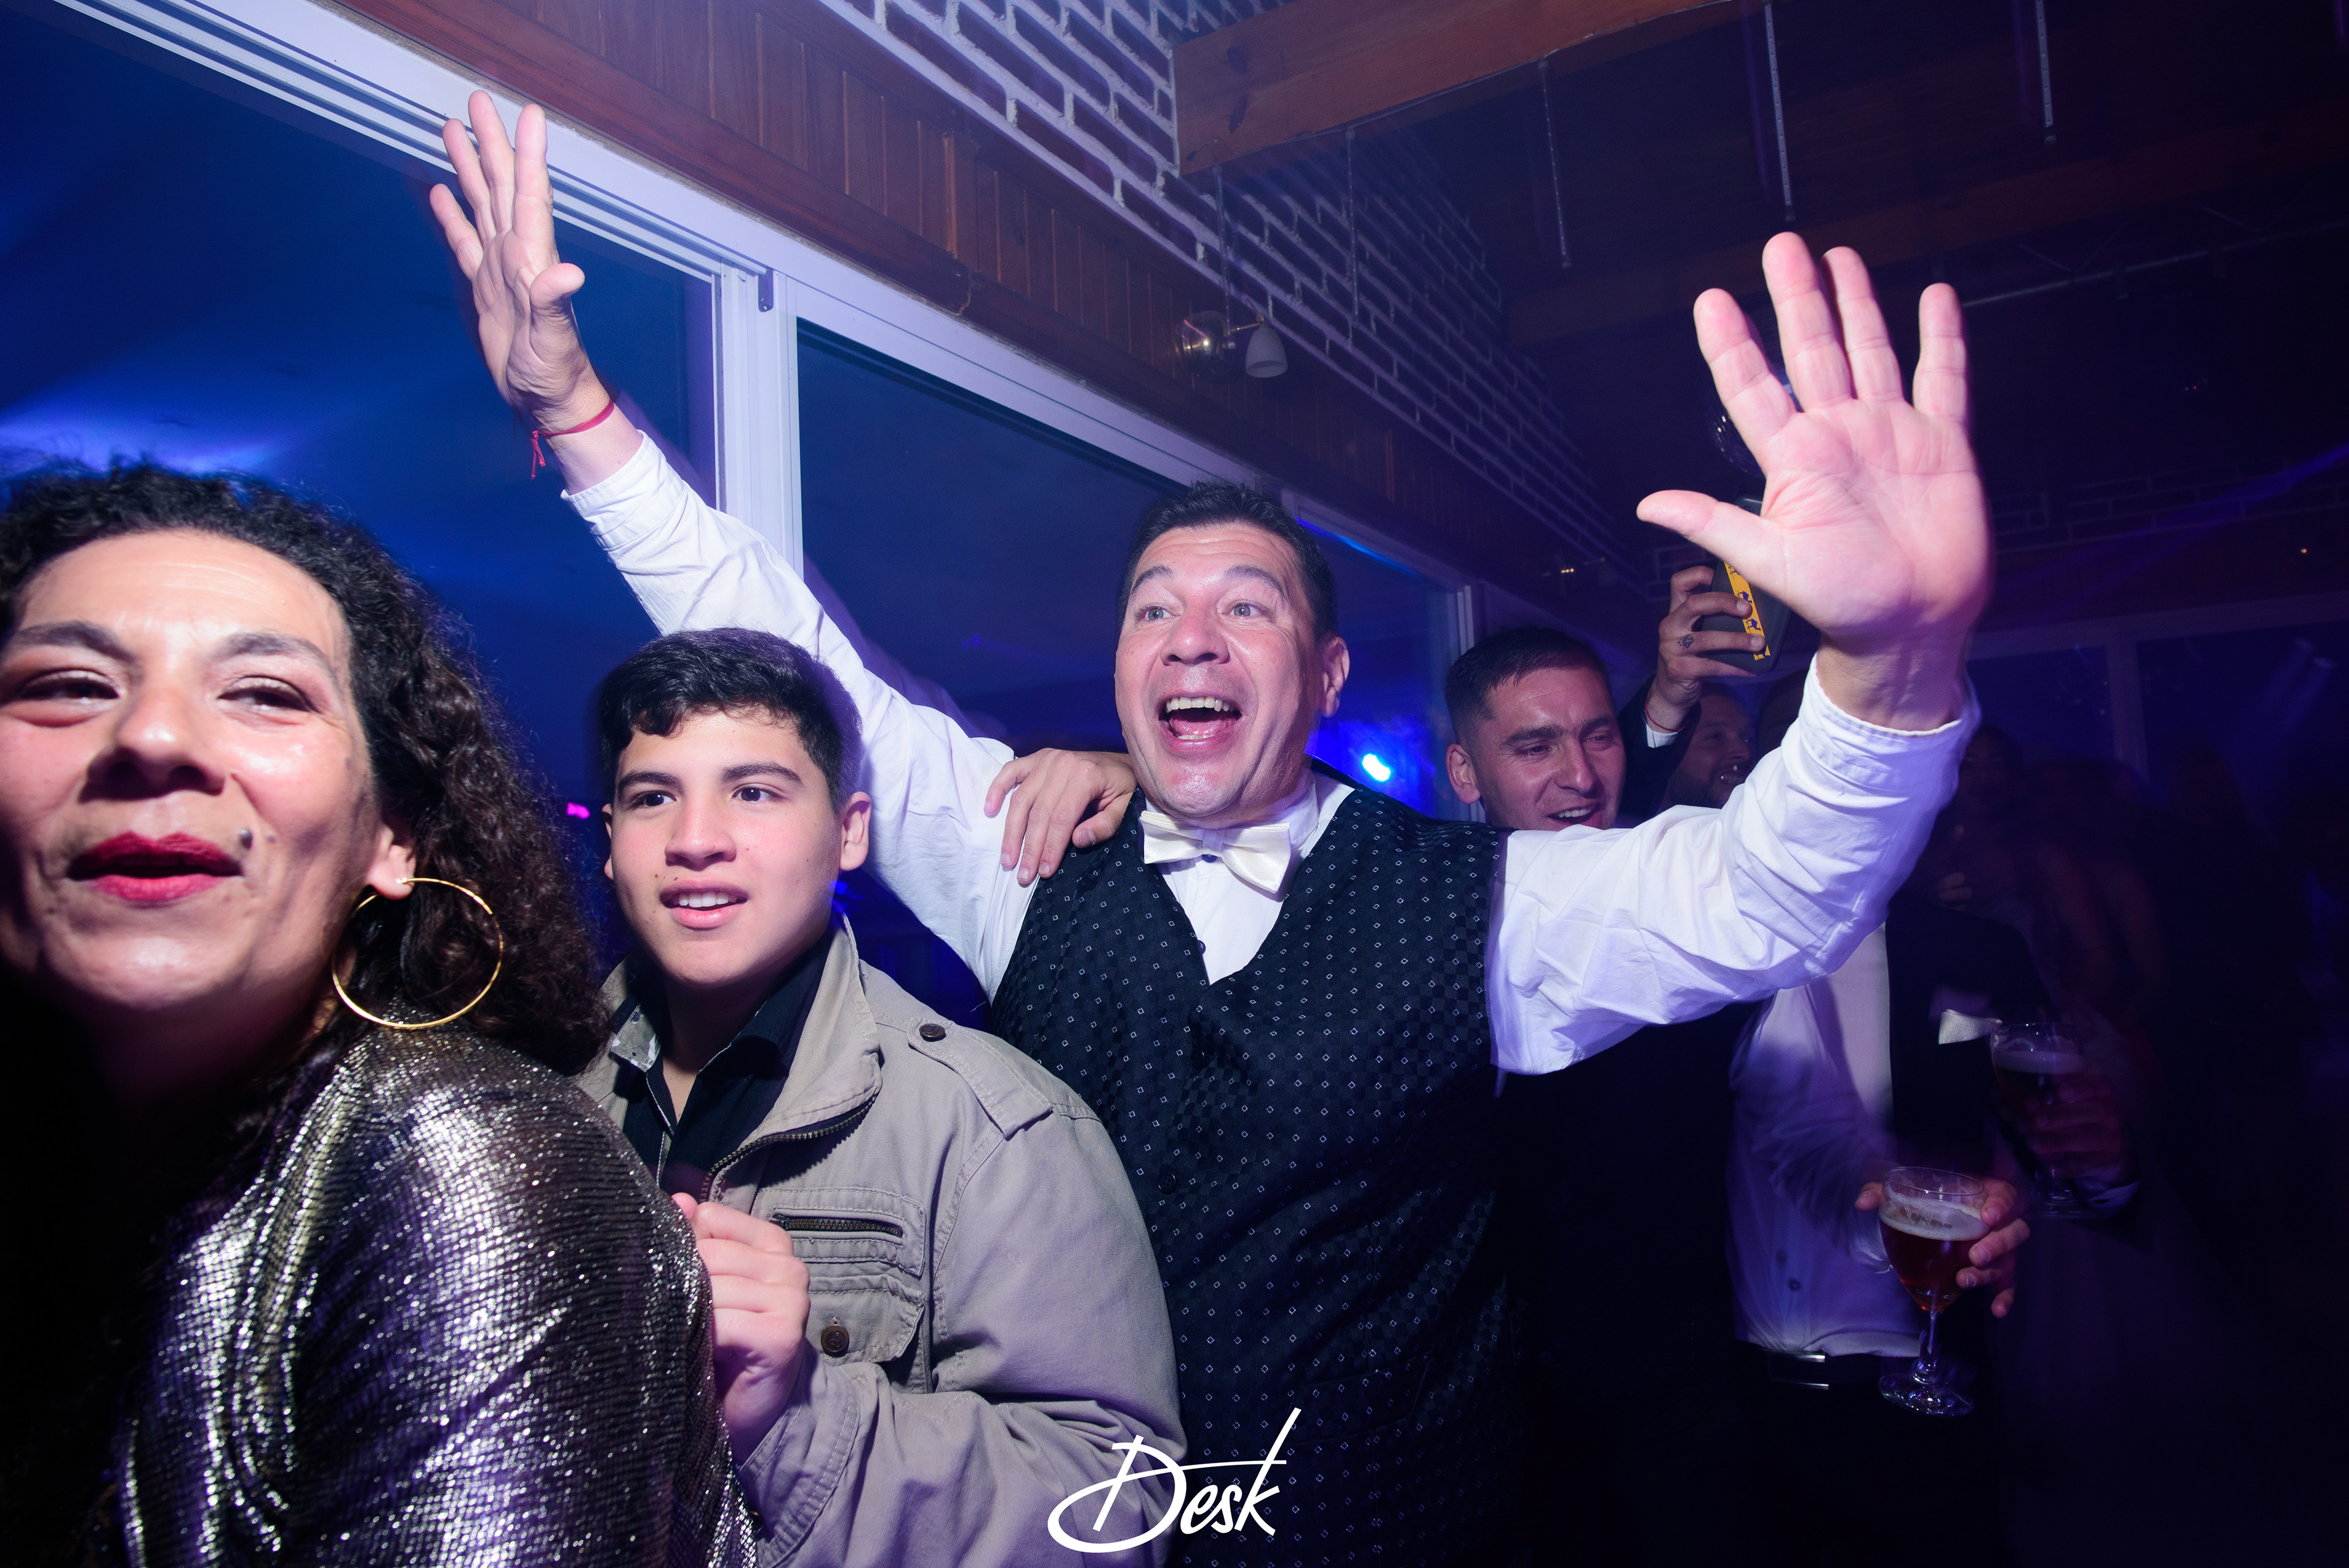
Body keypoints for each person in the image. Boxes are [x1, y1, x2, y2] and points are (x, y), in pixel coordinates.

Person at [432, 94, 1991, 1563]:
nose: (1191, 634)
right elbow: (786, 645)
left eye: (1246, 608)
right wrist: (578, 411)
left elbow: (1764, 892)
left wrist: (1895, 663)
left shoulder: (1480, 900)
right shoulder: (1022, 852)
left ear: (1323, 677)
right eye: (1154, 608)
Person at [0, 464, 750, 1566]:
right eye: (68, 685)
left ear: (391, 837)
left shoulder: (465, 1156)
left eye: (265, 693)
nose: (153, 737)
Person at [578, 626, 1183, 1564]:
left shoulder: (993, 1129)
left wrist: (795, 1414)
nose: (696, 841)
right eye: (653, 797)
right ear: (612, 843)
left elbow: (1117, 1513)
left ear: (849, 832)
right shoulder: (535, 1099)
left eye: (754, 792)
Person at [1443, 625, 1761, 1566]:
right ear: (1465, 773)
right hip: (1485, 1406)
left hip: (1674, 1392)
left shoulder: (1672, 911)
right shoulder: (1424, 920)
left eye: (1599, 738)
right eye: (1534, 747)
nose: (1579, 776)